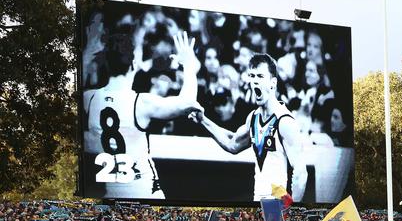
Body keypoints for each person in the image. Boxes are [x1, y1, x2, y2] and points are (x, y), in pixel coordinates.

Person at [82, 26, 203, 199]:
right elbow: (188, 102)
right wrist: (189, 65)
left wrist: (87, 54)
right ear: (133, 64)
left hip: (109, 194)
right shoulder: (141, 103)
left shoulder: (89, 99)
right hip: (143, 191)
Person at [195, 53, 307, 202]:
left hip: (276, 204)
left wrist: (292, 211)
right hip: (258, 201)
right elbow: (232, 144)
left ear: (273, 82)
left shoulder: (285, 121)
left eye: (260, 76)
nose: (255, 81)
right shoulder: (253, 118)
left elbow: (301, 173)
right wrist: (203, 120)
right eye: (252, 76)